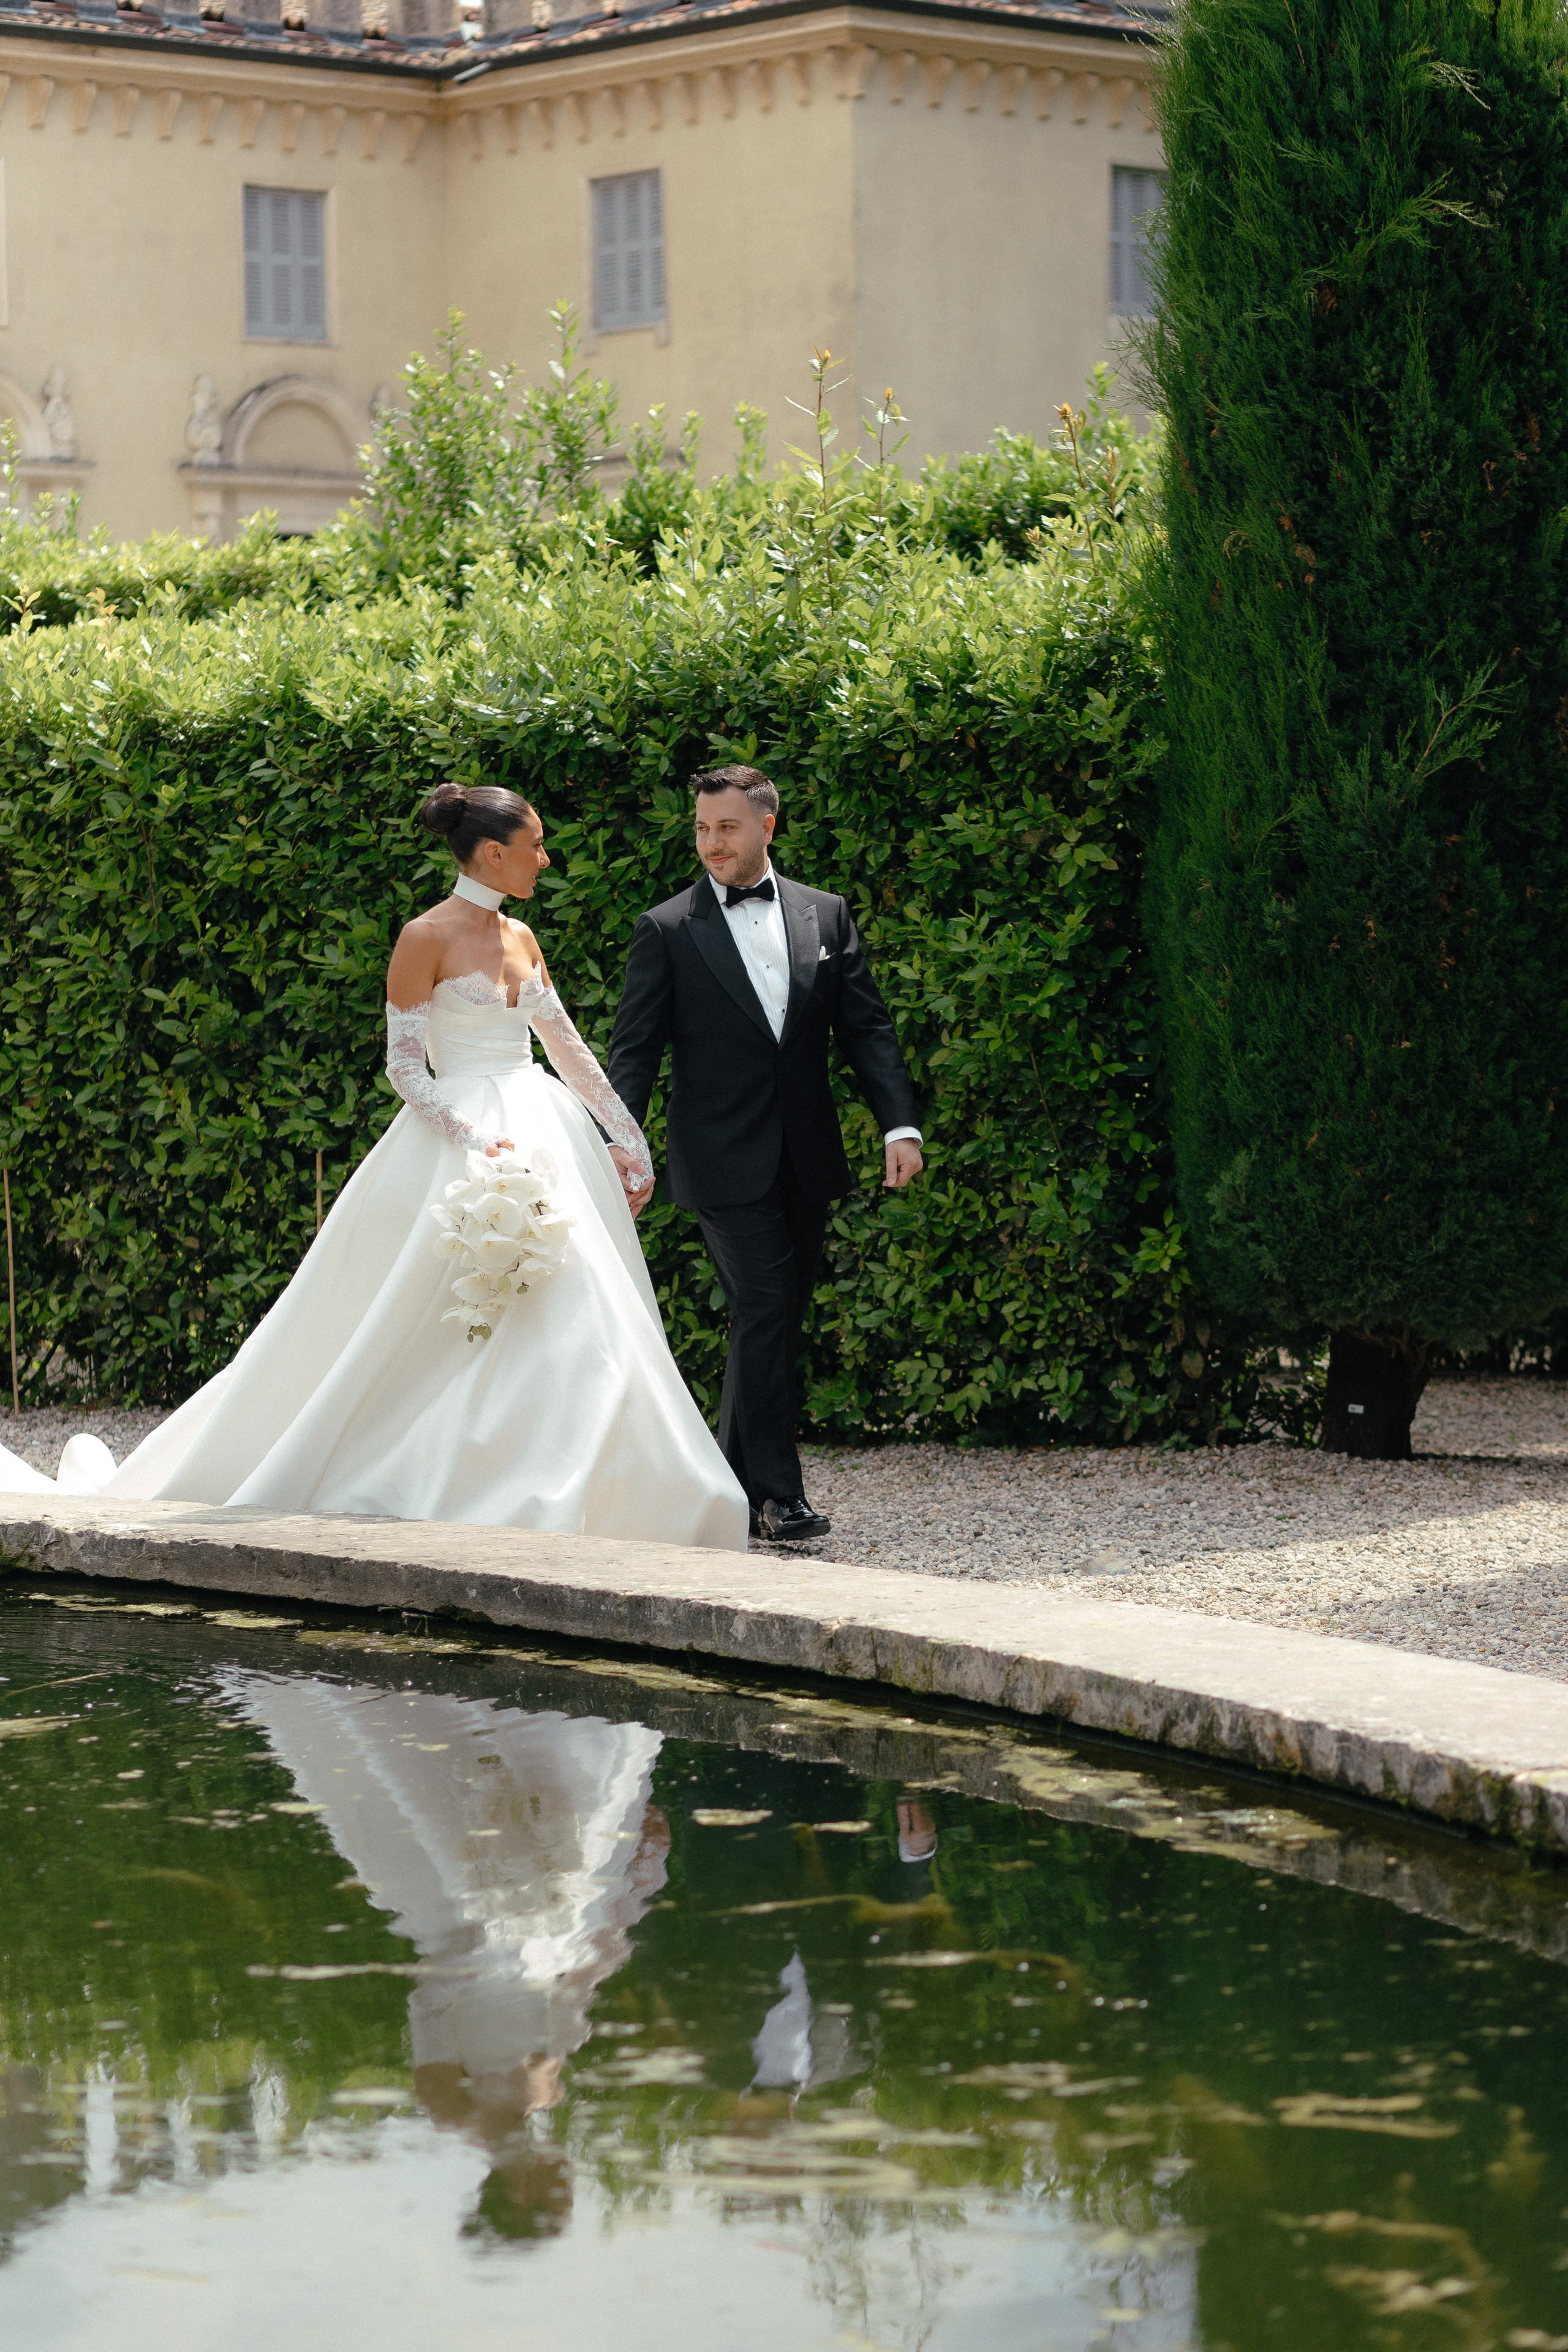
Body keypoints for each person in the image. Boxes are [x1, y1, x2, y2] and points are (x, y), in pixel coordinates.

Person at [0, 783, 748, 1551]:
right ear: (494, 854)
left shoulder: (523, 935)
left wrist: (627, 1138)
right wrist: (470, 1139)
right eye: (537, 845)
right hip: (459, 1139)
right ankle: (458, 1477)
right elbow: (403, 1067)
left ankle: (606, 1490)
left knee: (583, 1304)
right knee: (438, 1314)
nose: (546, 858)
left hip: (543, 1123)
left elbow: (568, 1049)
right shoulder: (422, 936)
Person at [608, 766, 922, 1544]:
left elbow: (867, 1029)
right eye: (703, 829)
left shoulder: (826, 913)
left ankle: (727, 1483)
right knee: (764, 1306)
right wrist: (621, 1145)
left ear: (766, 828)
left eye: (727, 828)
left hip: (806, 1153)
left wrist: (898, 1126)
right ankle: (781, 1498)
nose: (712, 843)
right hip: (717, 1157)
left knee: (773, 1318)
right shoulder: (668, 929)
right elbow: (635, 1052)